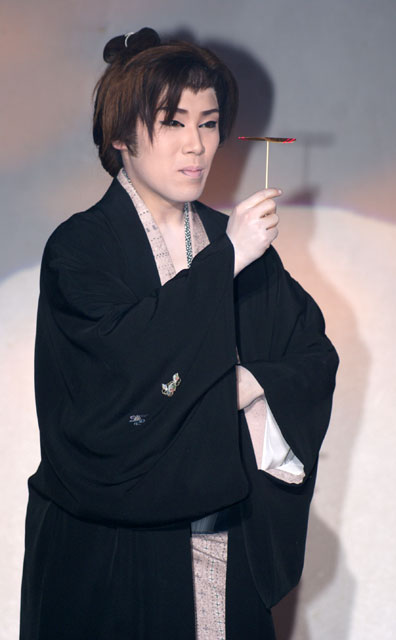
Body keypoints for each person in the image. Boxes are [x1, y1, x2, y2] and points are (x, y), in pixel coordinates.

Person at [20, 27, 339, 640]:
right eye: (172, 122)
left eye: (209, 123)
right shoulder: (81, 248)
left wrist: (248, 386)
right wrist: (227, 261)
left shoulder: (237, 245)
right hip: (110, 553)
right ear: (121, 135)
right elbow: (116, 379)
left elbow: (310, 358)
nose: (196, 145)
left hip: (224, 541)